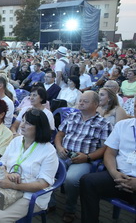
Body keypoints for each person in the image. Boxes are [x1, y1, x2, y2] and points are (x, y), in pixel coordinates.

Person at [0, 109, 58, 222]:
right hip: (4, 188)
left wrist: (13, 185)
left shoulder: (49, 151)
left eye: (28, 123)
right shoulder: (17, 141)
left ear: (39, 127)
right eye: (22, 121)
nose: (22, 125)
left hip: (29, 196)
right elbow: (1, 162)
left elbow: (43, 184)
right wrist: (7, 174)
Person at [54, 91, 113, 223]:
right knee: (46, 168)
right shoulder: (72, 116)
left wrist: (87, 157)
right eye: (80, 100)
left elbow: (105, 148)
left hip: (83, 159)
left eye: (85, 101)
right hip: (63, 154)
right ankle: (49, 203)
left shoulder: (104, 124)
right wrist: (59, 147)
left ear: (96, 104)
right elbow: (60, 134)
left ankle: (70, 209)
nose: (81, 103)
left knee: (71, 179)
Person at [80, 100, 136, 223]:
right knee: (88, 181)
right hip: (118, 176)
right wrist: (114, 173)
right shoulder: (123, 125)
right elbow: (110, 153)